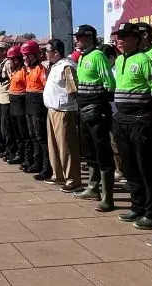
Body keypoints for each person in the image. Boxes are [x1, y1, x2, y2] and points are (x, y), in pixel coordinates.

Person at [111, 22, 152, 230]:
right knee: (130, 168)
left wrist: (146, 117)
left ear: (137, 38)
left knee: (148, 168)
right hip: (122, 121)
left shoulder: (144, 60)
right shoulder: (119, 61)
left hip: (141, 122)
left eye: (125, 37)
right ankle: (137, 206)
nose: (120, 41)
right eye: (118, 37)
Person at [73, 25, 116, 212]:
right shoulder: (83, 56)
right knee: (88, 148)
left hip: (97, 110)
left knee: (102, 150)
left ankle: (107, 197)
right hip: (83, 109)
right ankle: (92, 187)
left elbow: (110, 83)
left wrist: (97, 102)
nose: (77, 40)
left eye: (80, 37)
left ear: (89, 38)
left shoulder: (98, 56)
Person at [43, 39, 82, 192]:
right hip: (52, 109)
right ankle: (58, 174)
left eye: (47, 51)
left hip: (64, 111)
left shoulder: (67, 66)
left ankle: (73, 179)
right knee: (54, 145)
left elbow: (73, 89)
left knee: (66, 146)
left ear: (56, 52)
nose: (45, 54)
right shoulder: (55, 66)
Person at [21, 40, 50, 180]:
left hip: (38, 104)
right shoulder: (29, 70)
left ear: (33, 55)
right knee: (33, 135)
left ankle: (46, 167)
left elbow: (46, 86)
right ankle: (36, 163)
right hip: (29, 102)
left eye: (26, 55)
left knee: (41, 136)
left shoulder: (41, 69)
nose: (24, 58)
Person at [6, 46, 28, 166]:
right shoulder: (15, 71)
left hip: (21, 101)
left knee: (23, 131)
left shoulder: (24, 71)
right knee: (16, 132)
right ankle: (19, 153)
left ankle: (25, 156)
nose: (11, 62)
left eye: (13, 59)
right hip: (13, 101)